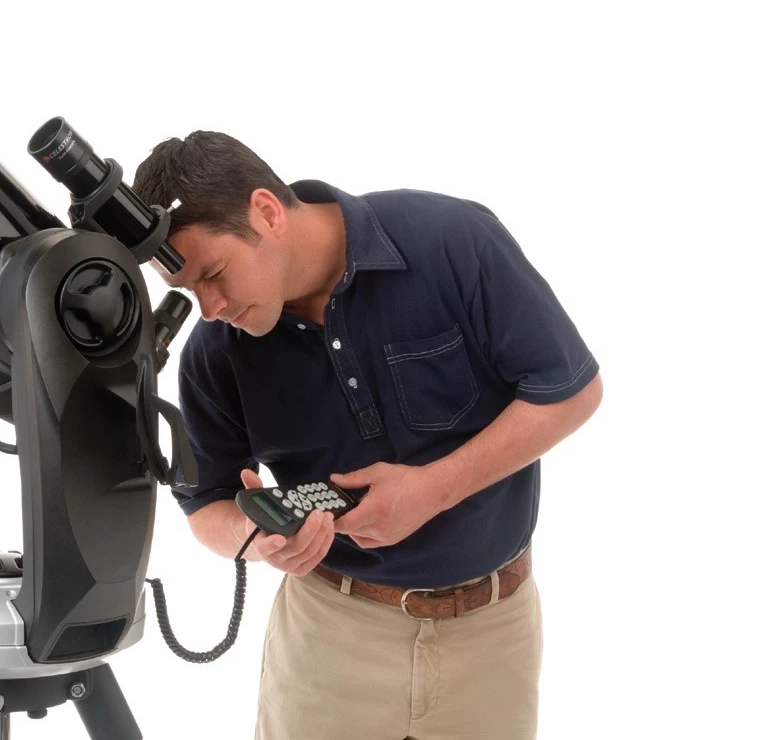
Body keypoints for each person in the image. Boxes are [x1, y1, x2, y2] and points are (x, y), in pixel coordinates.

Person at [131, 131, 603, 740]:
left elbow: (570, 389)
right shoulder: (215, 350)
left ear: (267, 212)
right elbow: (205, 505)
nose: (209, 307)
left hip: (493, 636)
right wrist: (259, 542)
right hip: (327, 639)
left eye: (214, 274)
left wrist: (433, 489)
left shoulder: (452, 240)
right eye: (187, 291)